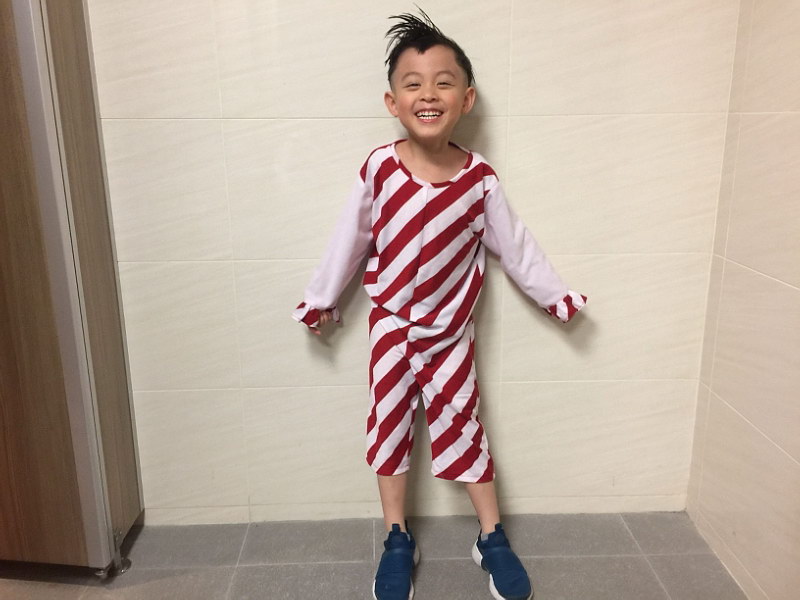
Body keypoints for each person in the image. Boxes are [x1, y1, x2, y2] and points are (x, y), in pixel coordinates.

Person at [292, 10, 587, 600]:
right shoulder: (379, 168)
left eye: (443, 82)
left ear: (466, 99)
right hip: (390, 330)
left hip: (451, 334)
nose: (428, 94)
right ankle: (397, 538)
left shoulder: (480, 181)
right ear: (393, 101)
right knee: (389, 428)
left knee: (466, 426)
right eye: (413, 83)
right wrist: (321, 299)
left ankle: (491, 537)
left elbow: (516, 247)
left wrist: (556, 297)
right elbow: (349, 238)